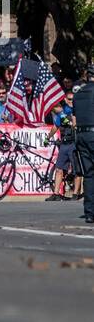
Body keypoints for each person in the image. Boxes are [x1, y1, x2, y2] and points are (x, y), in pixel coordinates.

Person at [47, 90, 79, 202]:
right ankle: (56, 193)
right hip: (64, 143)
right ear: (65, 99)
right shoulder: (62, 112)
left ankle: (75, 194)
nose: (72, 101)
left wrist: (72, 121)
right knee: (59, 169)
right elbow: (56, 126)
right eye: (69, 99)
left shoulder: (78, 110)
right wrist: (48, 137)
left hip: (75, 143)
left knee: (77, 170)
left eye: (73, 99)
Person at [72, 67, 94, 225]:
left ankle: (89, 213)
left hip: (81, 135)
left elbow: (74, 119)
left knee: (89, 174)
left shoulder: (78, 94)